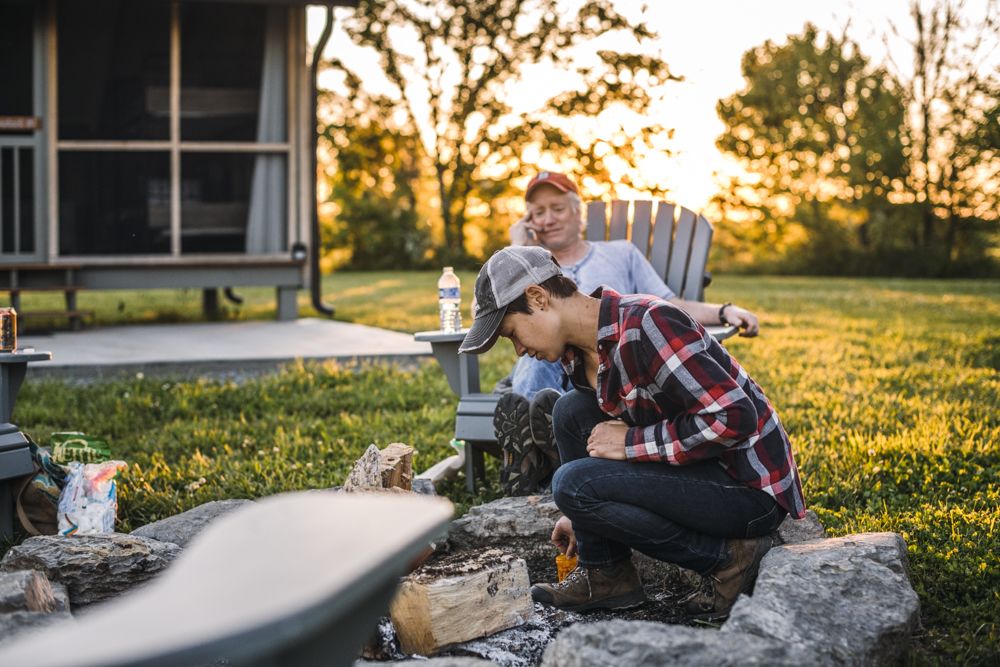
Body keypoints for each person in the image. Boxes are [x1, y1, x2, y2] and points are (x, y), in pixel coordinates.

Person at [460, 245, 806, 620]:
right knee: (570, 411)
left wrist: (629, 444)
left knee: (572, 483)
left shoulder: (648, 324)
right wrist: (582, 517)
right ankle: (606, 574)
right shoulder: (579, 355)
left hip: (747, 488)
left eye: (512, 333)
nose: (518, 351)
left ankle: (727, 559)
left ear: (538, 298)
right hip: (702, 470)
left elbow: (733, 417)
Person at [494, 171, 760, 496]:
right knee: (540, 344)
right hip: (553, 368)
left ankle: (537, 451)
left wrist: (724, 311)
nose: (548, 219)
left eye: (557, 208)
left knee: (556, 361)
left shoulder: (620, 253)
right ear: (528, 221)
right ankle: (540, 434)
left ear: (579, 212)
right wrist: (517, 248)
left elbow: (670, 305)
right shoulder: (531, 270)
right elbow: (500, 311)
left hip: (610, 371)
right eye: (537, 213)